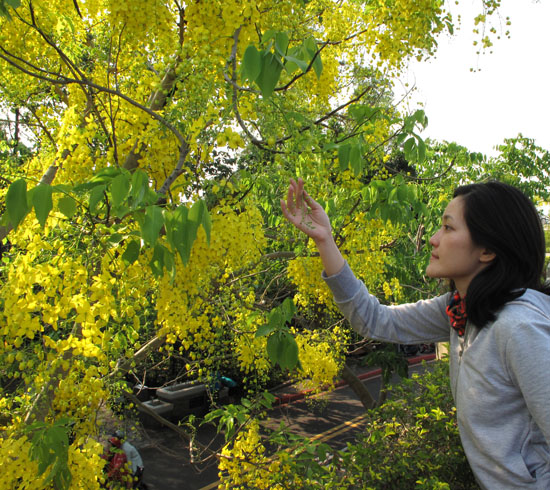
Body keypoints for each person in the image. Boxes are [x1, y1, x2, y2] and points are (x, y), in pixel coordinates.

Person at [281, 177, 550, 489]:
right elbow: (374, 320)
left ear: (487, 249)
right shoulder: (461, 309)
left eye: (448, 228)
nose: (433, 239)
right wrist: (325, 241)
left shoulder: (519, 328)